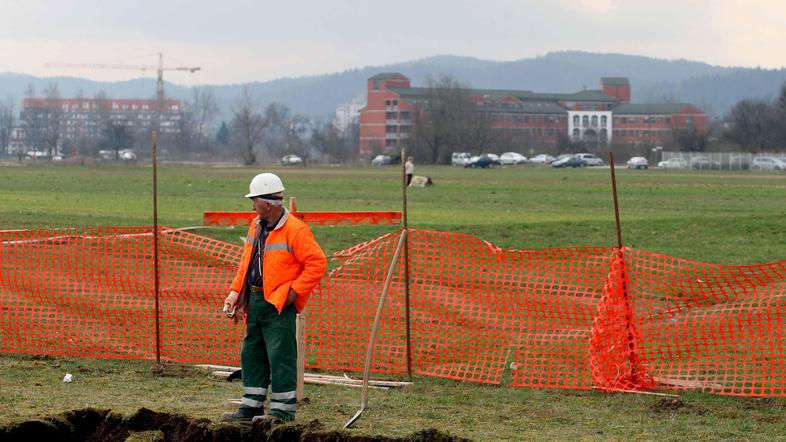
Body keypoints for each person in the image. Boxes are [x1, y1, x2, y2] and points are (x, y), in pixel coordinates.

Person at [221, 172, 327, 423]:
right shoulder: (256, 226)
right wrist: (235, 293)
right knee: (252, 353)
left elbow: (317, 263)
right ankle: (251, 406)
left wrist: (292, 294)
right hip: (255, 302)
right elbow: (245, 263)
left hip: (278, 305)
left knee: (280, 356)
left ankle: (282, 411)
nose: (252, 205)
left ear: (267, 204)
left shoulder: (295, 230)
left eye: (254, 200)